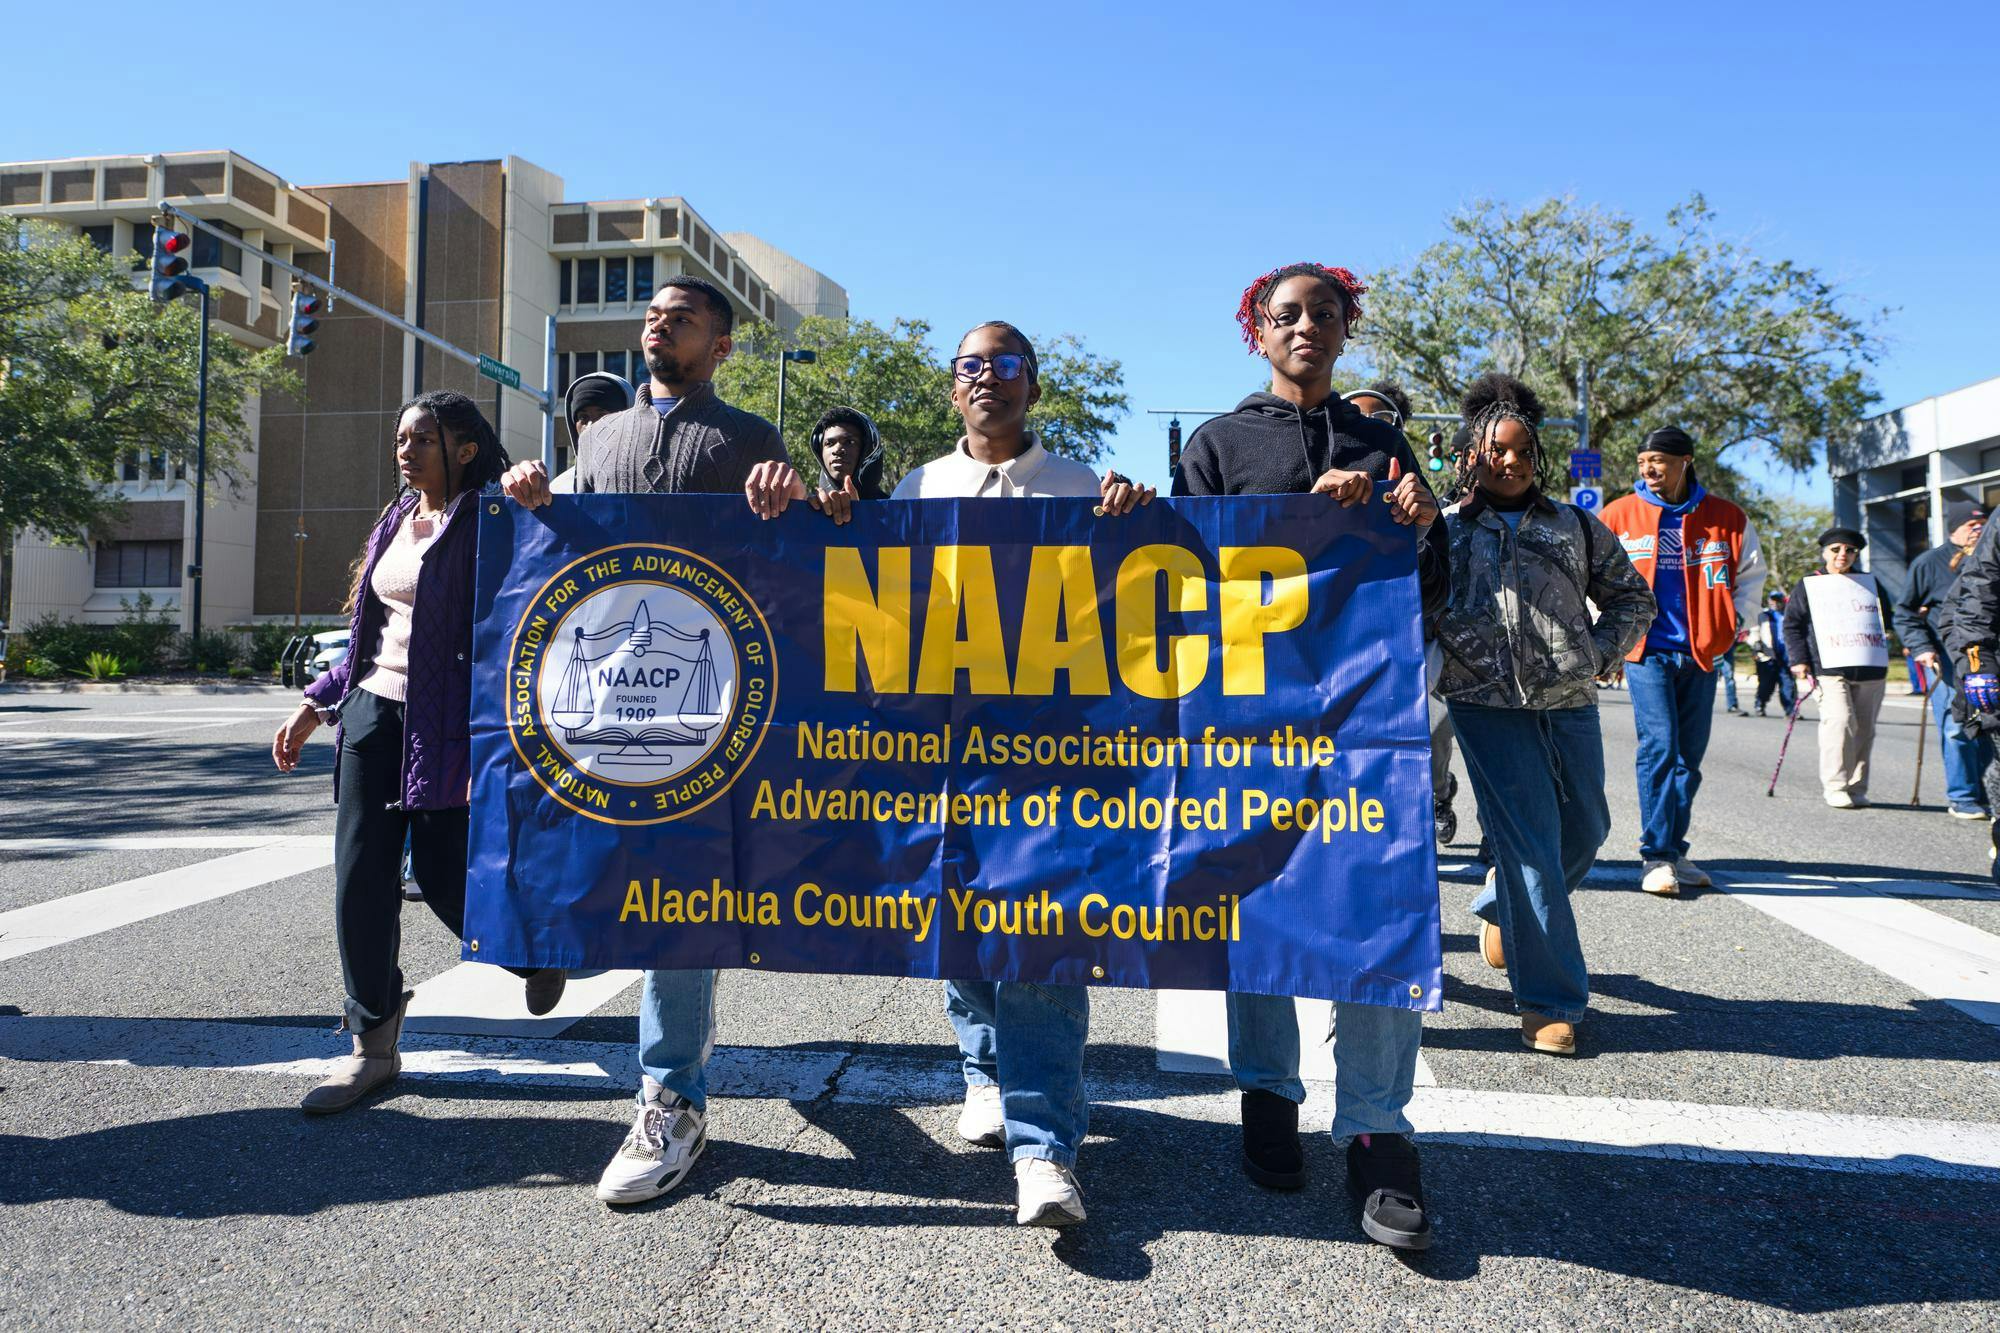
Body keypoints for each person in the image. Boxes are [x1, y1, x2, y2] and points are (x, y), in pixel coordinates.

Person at [1174, 262, 1447, 1251]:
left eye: (1322, 314)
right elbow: (1185, 576)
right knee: (1254, 902)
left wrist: (1412, 518)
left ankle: (1377, 1129)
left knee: (1377, 904)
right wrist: (1299, 511)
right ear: (1256, 332)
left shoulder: (1380, 442)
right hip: (1249, 716)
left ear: (1343, 330)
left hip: (1361, 719)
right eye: (1285, 315)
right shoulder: (1216, 444)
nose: (1304, 328)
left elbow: (1432, 581)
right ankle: (1266, 1094)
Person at [499, 275, 789, 1206]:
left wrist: (787, 494)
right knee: (601, 881)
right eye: (655, 314)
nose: (660, 324)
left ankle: (670, 1097)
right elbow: (561, 544)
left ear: (722, 345)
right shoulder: (599, 436)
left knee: (683, 895)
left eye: (684, 318)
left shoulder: (747, 437)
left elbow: (781, 563)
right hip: (599, 703)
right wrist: (531, 492)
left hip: (708, 708)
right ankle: (668, 1043)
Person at [873, 321, 1152, 1226]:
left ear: (1032, 385)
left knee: (1043, 937)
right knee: (960, 924)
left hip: (1052, 758)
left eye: (1004, 364)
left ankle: (1046, 1150)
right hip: (944, 752)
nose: (985, 377)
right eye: (969, 366)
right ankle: (983, 1070)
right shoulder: (919, 489)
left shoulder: (1083, 488)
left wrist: (1140, 516)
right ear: (952, 389)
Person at [271, 390, 564, 1114]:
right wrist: (316, 702)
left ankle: (532, 951)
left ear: (463, 449)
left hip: (452, 724)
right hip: (374, 711)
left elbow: (550, 571)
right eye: (400, 439)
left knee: (441, 873)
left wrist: (535, 495)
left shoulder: (494, 515)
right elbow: (368, 631)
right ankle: (372, 1046)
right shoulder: (395, 519)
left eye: (421, 440)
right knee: (360, 878)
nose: (405, 451)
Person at [1434, 376, 1655, 1056]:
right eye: (1495, 450)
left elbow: (1632, 599)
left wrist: (1598, 650)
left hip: (1570, 699)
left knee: (1589, 826)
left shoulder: (1575, 526)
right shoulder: (1443, 532)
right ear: (1472, 454)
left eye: (1522, 449)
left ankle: (1502, 907)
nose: (1510, 460)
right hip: (1484, 705)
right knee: (1529, 843)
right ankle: (1550, 1000)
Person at [1600, 428, 1765, 896]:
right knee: (1661, 747)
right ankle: (1656, 856)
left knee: (1689, 758)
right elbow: (1591, 577)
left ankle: (1675, 847)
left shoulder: (1726, 518)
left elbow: (1752, 575)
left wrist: (1733, 624)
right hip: (1645, 650)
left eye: (1658, 460)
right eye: (1642, 461)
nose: (1649, 469)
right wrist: (1606, 642)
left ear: (1685, 461)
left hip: (1701, 652)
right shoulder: (1618, 515)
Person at [1348, 382, 1460, 844]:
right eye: (1358, 417)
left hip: (1416, 648)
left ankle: (1437, 794)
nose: (1370, 426)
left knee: (1428, 736)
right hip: (1348, 656)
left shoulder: (1422, 496)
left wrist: (1417, 530)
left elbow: (1438, 585)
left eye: (1383, 420)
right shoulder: (1322, 482)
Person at [1893, 495, 1992, 817]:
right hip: (1947, 659)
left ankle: (1988, 792)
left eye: (1982, 523)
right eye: (1970, 524)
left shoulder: (1992, 555)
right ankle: (1963, 796)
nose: (1978, 529)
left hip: (1989, 655)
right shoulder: (1929, 563)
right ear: (1953, 530)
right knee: (1957, 728)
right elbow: (1905, 611)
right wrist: (1921, 647)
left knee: (1991, 728)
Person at [1783, 527, 1889, 809]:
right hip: (1828, 667)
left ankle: (1857, 787)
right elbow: (1792, 624)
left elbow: (1887, 617)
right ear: (1824, 552)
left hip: (1870, 666)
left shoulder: (1869, 583)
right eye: (1836, 549)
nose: (1843, 555)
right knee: (1839, 722)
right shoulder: (1810, 584)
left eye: (1850, 550)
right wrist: (1799, 660)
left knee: (1865, 729)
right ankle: (1835, 785)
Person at [812, 405, 889, 500]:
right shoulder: (806, 510)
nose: (837, 450)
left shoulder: (895, 511)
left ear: (869, 449)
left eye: (849, 442)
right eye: (829, 443)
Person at [1752, 590, 1797, 717]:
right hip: (1767, 656)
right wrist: (1756, 644)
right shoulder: (1763, 615)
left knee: (1788, 684)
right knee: (1766, 684)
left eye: (1778, 600)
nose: (1775, 603)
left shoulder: (1789, 615)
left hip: (1786, 655)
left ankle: (1791, 710)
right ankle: (1760, 704)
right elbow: (1754, 631)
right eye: (1773, 600)